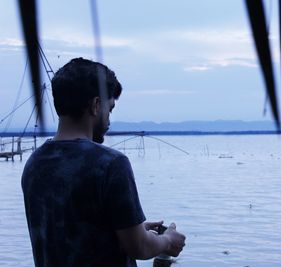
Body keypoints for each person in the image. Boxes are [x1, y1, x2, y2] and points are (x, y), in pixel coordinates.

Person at [21, 58, 185, 267]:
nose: (109, 119)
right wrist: (167, 241)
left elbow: (70, 231)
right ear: (96, 105)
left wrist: (132, 228)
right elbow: (139, 248)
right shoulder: (111, 164)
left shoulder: (35, 163)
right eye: (110, 108)